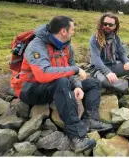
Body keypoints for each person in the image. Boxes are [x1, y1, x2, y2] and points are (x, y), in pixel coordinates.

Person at [10, 16, 112, 153]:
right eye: (72, 29)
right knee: (62, 81)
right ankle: (76, 137)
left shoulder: (67, 46)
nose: (74, 32)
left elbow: (70, 67)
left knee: (93, 82)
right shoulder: (36, 45)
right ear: (63, 31)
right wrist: (75, 70)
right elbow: (43, 74)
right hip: (30, 89)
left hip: (55, 84)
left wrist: (77, 86)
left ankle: (90, 120)